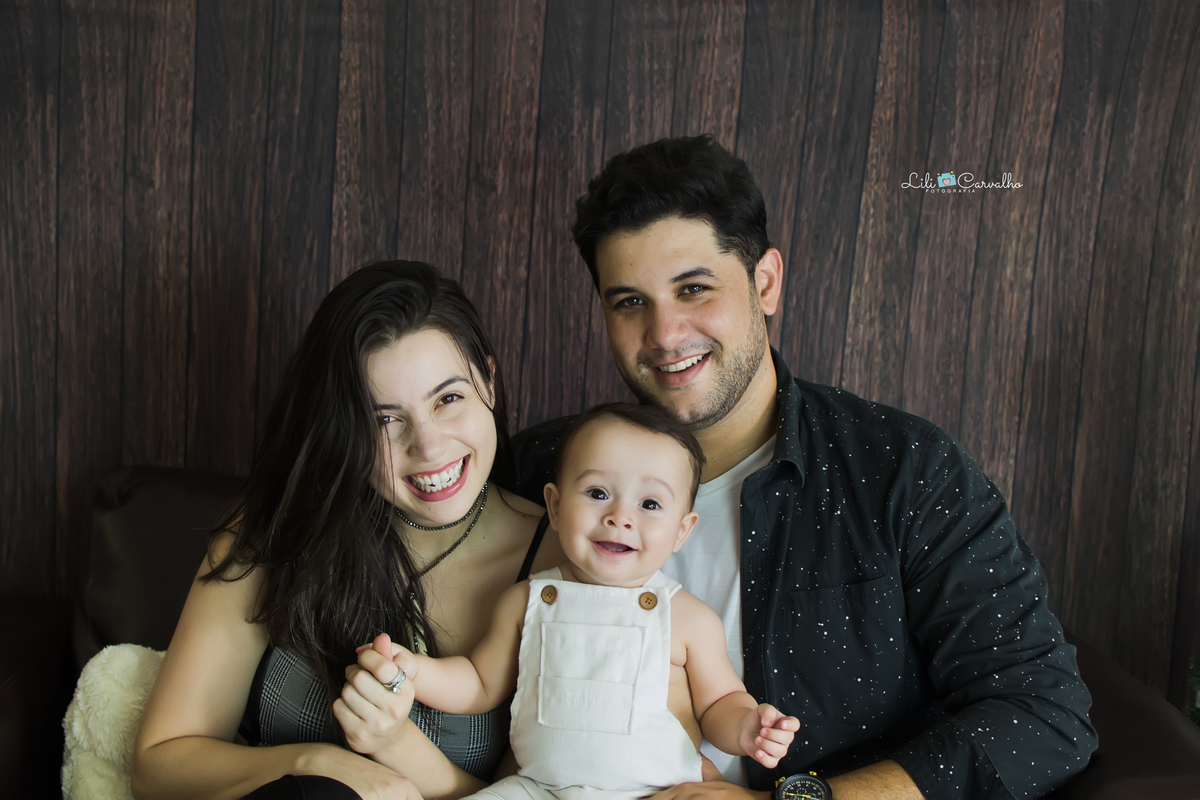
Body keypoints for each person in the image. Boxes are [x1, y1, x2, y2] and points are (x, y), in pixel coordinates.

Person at [501, 136, 1098, 800]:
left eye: (693, 288)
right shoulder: (536, 470)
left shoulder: (904, 471)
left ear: (765, 283)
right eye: (630, 302)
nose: (665, 334)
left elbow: (1042, 713)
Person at [133, 261, 564, 800]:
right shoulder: (275, 529)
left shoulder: (564, 564)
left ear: (489, 382)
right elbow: (159, 765)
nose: (428, 446)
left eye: (448, 399)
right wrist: (316, 763)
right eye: (384, 419)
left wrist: (397, 748)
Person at [384, 403, 798, 800]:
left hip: (657, 792)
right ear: (556, 506)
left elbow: (719, 703)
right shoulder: (525, 601)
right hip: (538, 790)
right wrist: (414, 671)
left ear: (681, 531)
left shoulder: (689, 619)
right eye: (597, 493)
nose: (620, 516)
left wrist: (747, 728)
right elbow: (478, 683)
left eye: (650, 504)